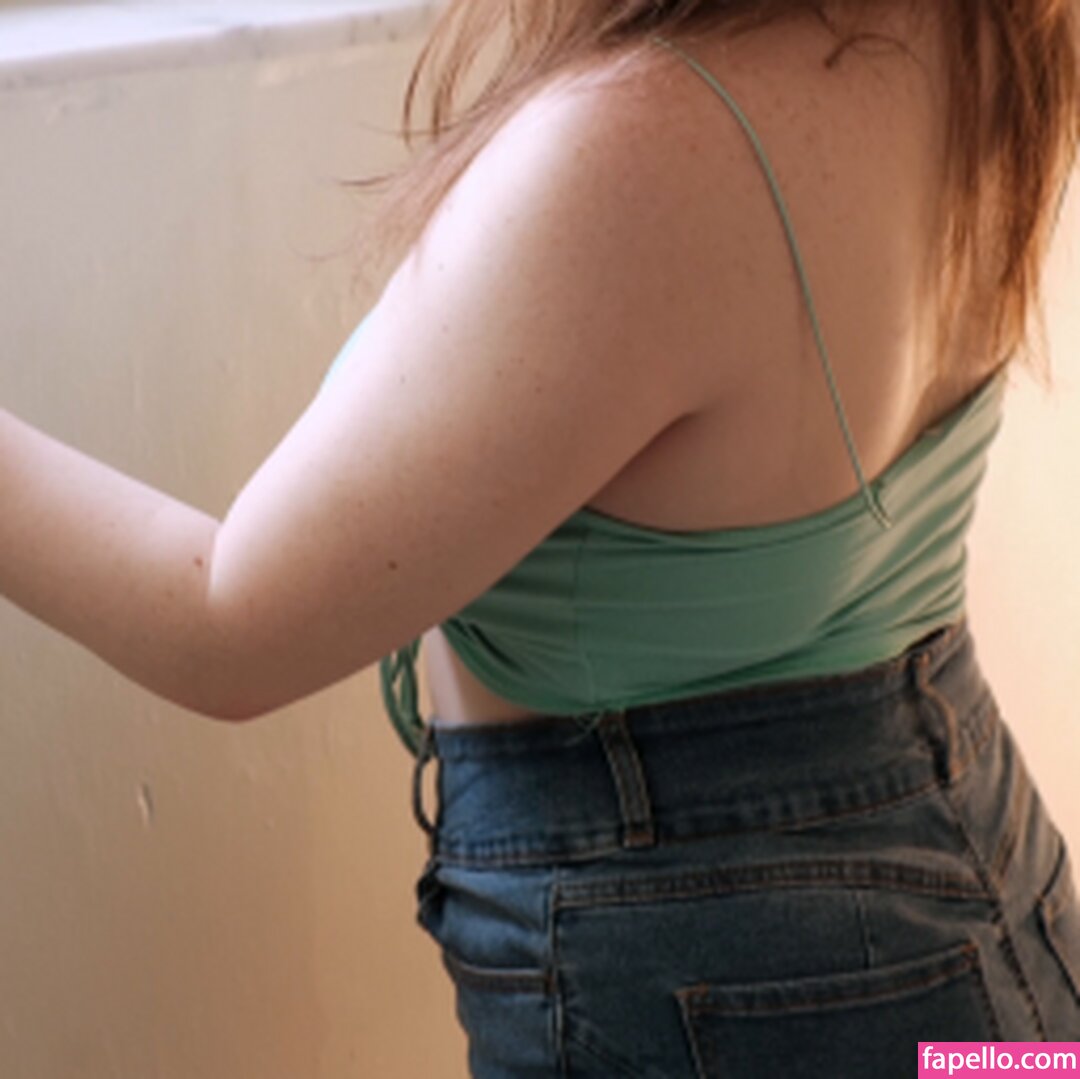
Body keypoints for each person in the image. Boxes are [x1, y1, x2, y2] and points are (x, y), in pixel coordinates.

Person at [2, 1, 1079, 1075]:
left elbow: (229, 627)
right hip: (998, 940)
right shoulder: (989, 37)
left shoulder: (655, 143)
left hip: (750, 987)